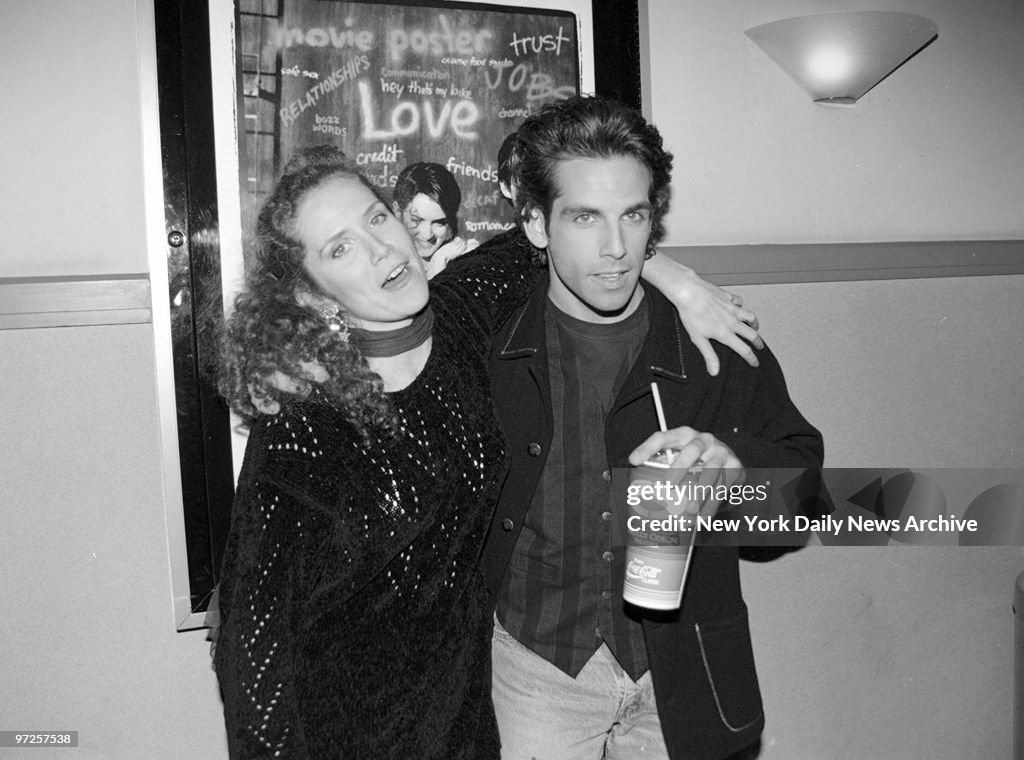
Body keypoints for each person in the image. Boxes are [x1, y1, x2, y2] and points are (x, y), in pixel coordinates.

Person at [212, 145, 761, 758]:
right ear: (312, 295)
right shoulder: (303, 416)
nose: (381, 249)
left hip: (464, 713)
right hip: (347, 726)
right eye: (339, 248)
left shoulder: (464, 320)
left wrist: (675, 278)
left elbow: (546, 236)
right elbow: (252, 644)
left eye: (376, 218)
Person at [478, 95, 824, 760]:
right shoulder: (490, 341)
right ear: (536, 222)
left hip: (679, 674)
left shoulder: (713, 344)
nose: (616, 249)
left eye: (633, 216)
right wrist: (676, 274)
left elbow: (803, 504)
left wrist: (733, 476)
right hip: (535, 672)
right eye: (586, 218)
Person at [392, 161, 479, 277]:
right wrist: (438, 260)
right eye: (417, 220)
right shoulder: (384, 264)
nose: (428, 235)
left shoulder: (464, 260)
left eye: (439, 223)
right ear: (398, 212)